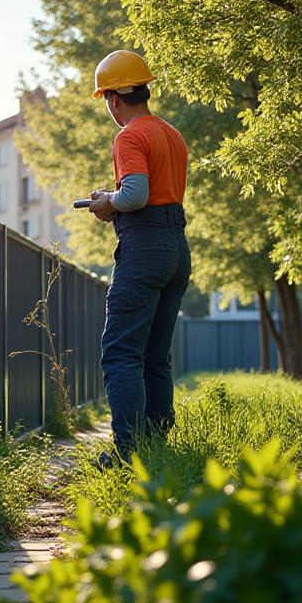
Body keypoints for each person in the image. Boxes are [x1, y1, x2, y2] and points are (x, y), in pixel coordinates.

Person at [88, 50, 190, 466]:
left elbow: (135, 196)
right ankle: (157, 443)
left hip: (144, 247)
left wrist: (107, 202)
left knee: (121, 353)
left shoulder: (129, 136)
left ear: (114, 98)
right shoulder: (172, 133)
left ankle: (128, 451)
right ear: (143, 89)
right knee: (155, 355)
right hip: (176, 246)